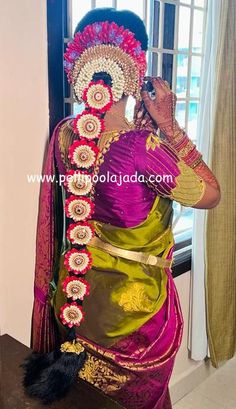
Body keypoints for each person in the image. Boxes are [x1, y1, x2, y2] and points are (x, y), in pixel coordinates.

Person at [22, 8, 220, 409]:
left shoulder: (65, 134)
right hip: (134, 320)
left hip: (78, 304)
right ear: (136, 67)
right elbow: (212, 194)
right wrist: (170, 127)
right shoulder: (145, 148)